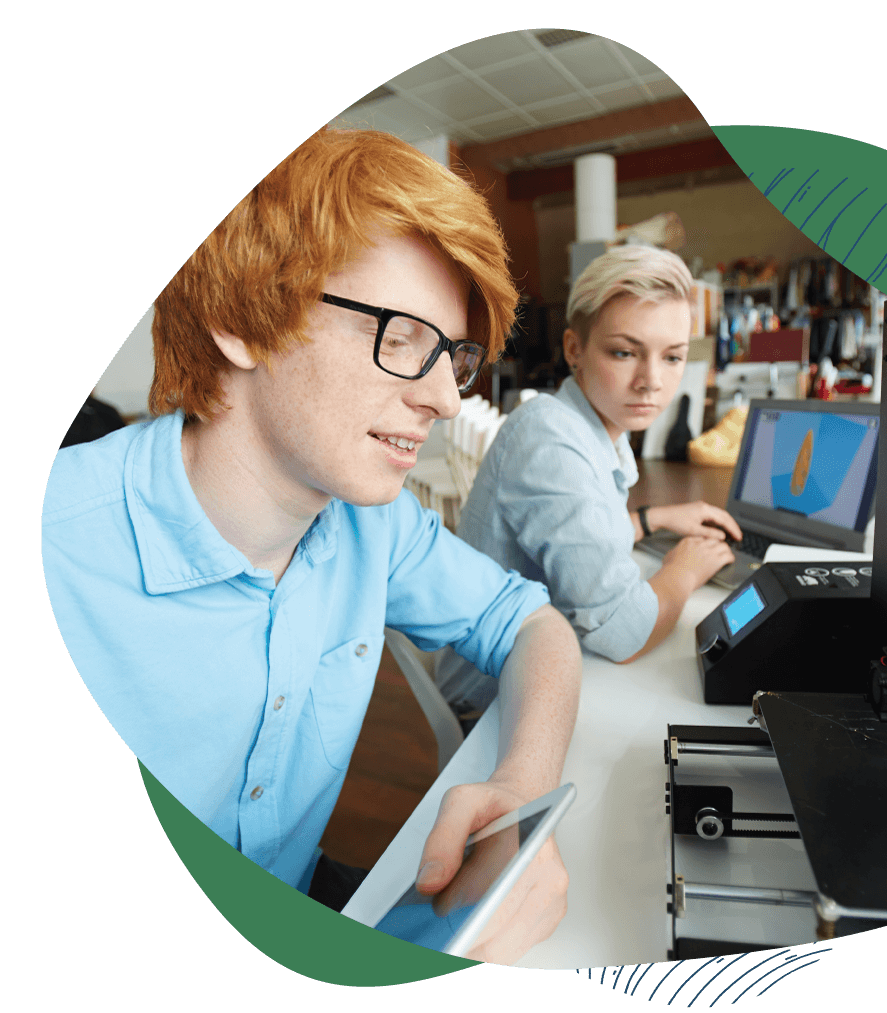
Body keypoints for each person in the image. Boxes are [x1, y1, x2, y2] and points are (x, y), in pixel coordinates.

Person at [41, 127, 582, 965]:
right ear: (240, 322)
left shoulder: (372, 522)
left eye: (453, 355)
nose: (443, 396)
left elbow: (531, 623)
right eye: (401, 336)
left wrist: (522, 782)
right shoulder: (63, 551)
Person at [436, 245, 742, 719]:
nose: (651, 381)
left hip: (538, 666)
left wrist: (653, 518)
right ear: (574, 349)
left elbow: (584, 531)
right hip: (491, 707)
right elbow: (626, 632)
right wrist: (685, 569)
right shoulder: (550, 441)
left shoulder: (587, 426)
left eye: (673, 357)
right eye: (625, 352)